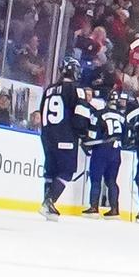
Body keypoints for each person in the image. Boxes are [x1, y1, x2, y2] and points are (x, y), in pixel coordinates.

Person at [37, 57, 83, 221]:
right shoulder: (74, 89)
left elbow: (41, 113)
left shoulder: (49, 89)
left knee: (51, 171)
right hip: (65, 136)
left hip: (47, 136)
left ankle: (47, 204)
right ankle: (48, 202)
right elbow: (80, 117)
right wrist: (82, 133)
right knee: (66, 171)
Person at [81, 78, 122, 217]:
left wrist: (87, 144)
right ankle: (115, 209)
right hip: (116, 150)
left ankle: (93, 207)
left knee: (96, 178)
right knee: (112, 180)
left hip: (102, 149)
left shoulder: (99, 114)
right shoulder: (122, 117)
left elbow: (92, 133)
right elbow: (127, 136)